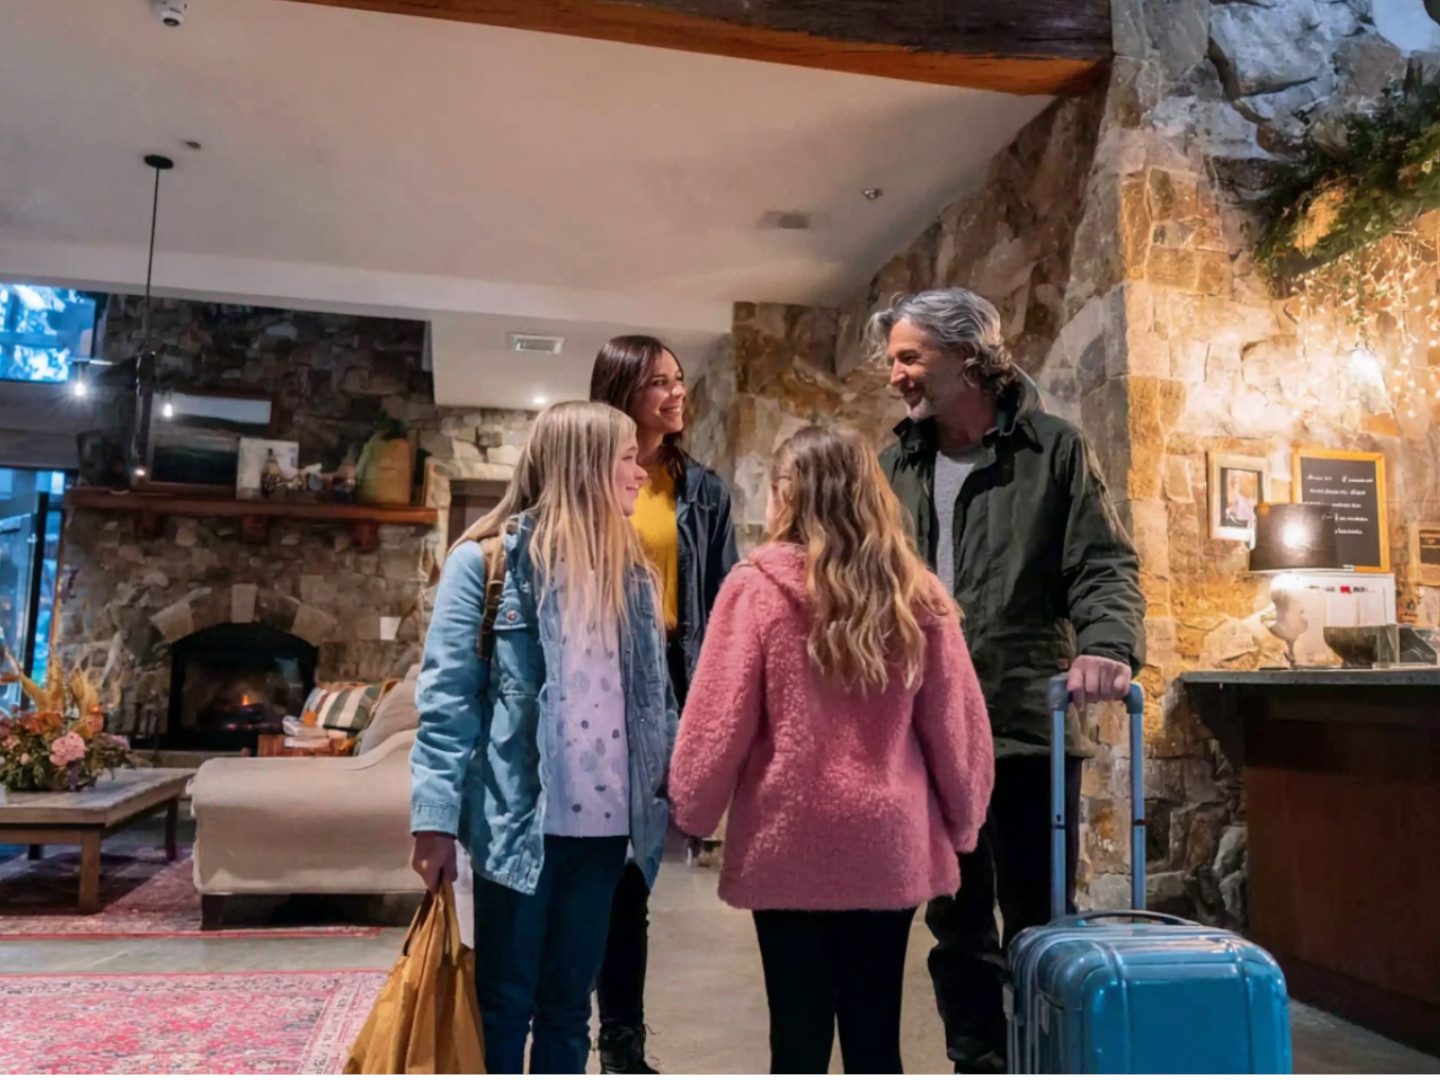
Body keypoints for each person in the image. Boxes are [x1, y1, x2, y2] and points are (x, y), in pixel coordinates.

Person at [871, 288, 1145, 1073]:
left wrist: (1107, 644)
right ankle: (977, 1060)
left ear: (967, 357)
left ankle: (1048, 1056)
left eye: (909, 357)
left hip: (1026, 723)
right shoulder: (894, 465)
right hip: (926, 731)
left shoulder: (1053, 450)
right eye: (894, 359)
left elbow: (1103, 563)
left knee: (1040, 919)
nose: (896, 376)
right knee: (955, 923)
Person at [670, 426, 996, 1075]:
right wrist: (964, 822)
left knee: (797, 1037)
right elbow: (958, 729)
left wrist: (690, 813)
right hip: (887, 842)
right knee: (877, 1039)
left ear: (787, 495)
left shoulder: (755, 588)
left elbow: (716, 723)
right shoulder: (918, 594)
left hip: (789, 841)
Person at [409, 401, 679, 1076]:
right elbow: (446, 707)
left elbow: (654, 706)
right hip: (515, 828)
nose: (639, 471)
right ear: (583, 465)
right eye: (624, 457)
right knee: (503, 1004)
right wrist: (434, 822)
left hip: (607, 833)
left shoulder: (636, 577)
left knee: (568, 1011)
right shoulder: (485, 565)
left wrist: (673, 800)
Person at [589, 334, 738, 1073]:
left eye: (680, 381)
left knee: (632, 873)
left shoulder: (704, 490)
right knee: (586, 868)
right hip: (592, 678)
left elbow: (725, 596)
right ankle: (563, 1029)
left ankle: (621, 1044)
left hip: (670, 682)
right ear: (620, 392)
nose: (677, 395)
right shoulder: (585, 481)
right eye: (658, 384)